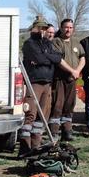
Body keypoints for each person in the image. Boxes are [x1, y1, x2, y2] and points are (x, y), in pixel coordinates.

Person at [20, 19, 61, 152]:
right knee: (30, 114)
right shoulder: (29, 44)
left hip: (47, 83)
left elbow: (58, 58)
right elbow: (39, 58)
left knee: (42, 116)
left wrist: (46, 57)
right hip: (34, 82)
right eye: (41, 28)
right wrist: (46, 58)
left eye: (45, 28)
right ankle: (25, 148)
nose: (43, 31)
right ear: (35, 28)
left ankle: (36, 146)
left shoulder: (48, 44)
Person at [51, 18, 85, 141]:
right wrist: (72, 70)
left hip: (72, 79)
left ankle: (67, 131)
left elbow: (82, 58)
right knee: (57, 105)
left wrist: (77, 71)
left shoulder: (76, 42)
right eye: (66, 27)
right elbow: (58, 60)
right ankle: (54, 132)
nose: (68, 30)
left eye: (70, 27)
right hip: (59, 79)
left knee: (69, 105)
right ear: (61, 28)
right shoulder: (56, 42)